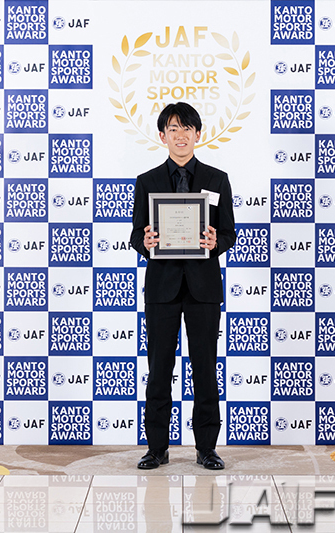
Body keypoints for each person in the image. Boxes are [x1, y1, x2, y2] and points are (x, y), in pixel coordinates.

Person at [130, 102, 236, 470]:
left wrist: (215, 243)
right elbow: (136, 234)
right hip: (162, 288)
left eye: (187, 128)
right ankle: (156, 448)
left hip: (203, 288)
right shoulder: (147, 181)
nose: (180, 135)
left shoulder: (217, 179)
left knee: (204, 369)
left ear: (198, 134)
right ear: (162, 136)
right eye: (173, 129)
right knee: (159, 370)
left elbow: (229, 232)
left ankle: (206, 449)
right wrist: (145, 241)